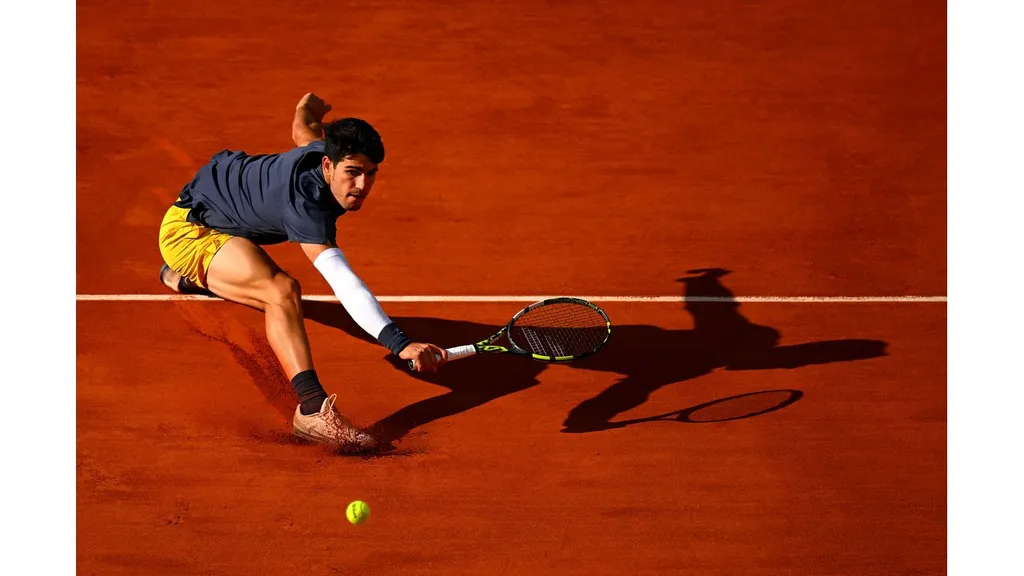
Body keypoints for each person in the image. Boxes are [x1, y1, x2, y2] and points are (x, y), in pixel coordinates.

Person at [156, 92, 449, 453]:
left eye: (371, 173)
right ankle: (311, 411)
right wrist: (399, 343)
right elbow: (343, 281)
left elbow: (303, 128)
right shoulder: (306, 204)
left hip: (225, 213)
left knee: (266, 282)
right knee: (281, 291)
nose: (362, 186)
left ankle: (187, 278)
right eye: (353, 173)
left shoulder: (322, 150)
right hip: (190, 230)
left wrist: (308, 107)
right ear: (328, 166)